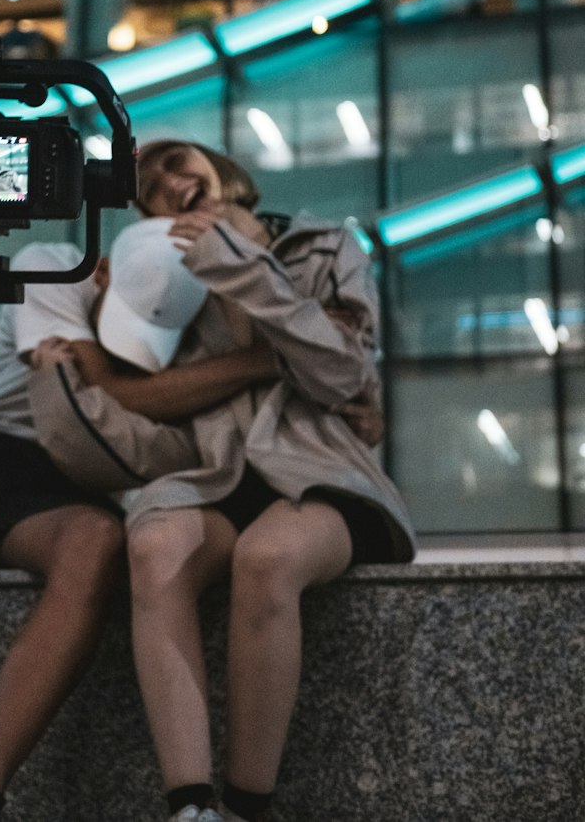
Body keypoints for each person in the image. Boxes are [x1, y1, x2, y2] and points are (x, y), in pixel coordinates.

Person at [0, 233, 296, 822]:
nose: (137, 348)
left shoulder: (191, 335)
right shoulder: (50, 262)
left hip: (66, 494)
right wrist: (246, 367)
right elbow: (105, 383)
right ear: (100, 272)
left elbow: (112, 389)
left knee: (100, 542)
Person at [113, 141, 416, 822]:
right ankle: (190, 808)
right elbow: (152, 395)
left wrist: (241, 266)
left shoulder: (324, 245)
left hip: (323, 471)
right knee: (153, 545)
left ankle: (249, 807)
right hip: (220, 470)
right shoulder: (163, 276)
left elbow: (339, 372)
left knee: (268, 557)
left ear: (217, 164)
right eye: (148, 184)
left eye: (174, 160)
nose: (168, 181)